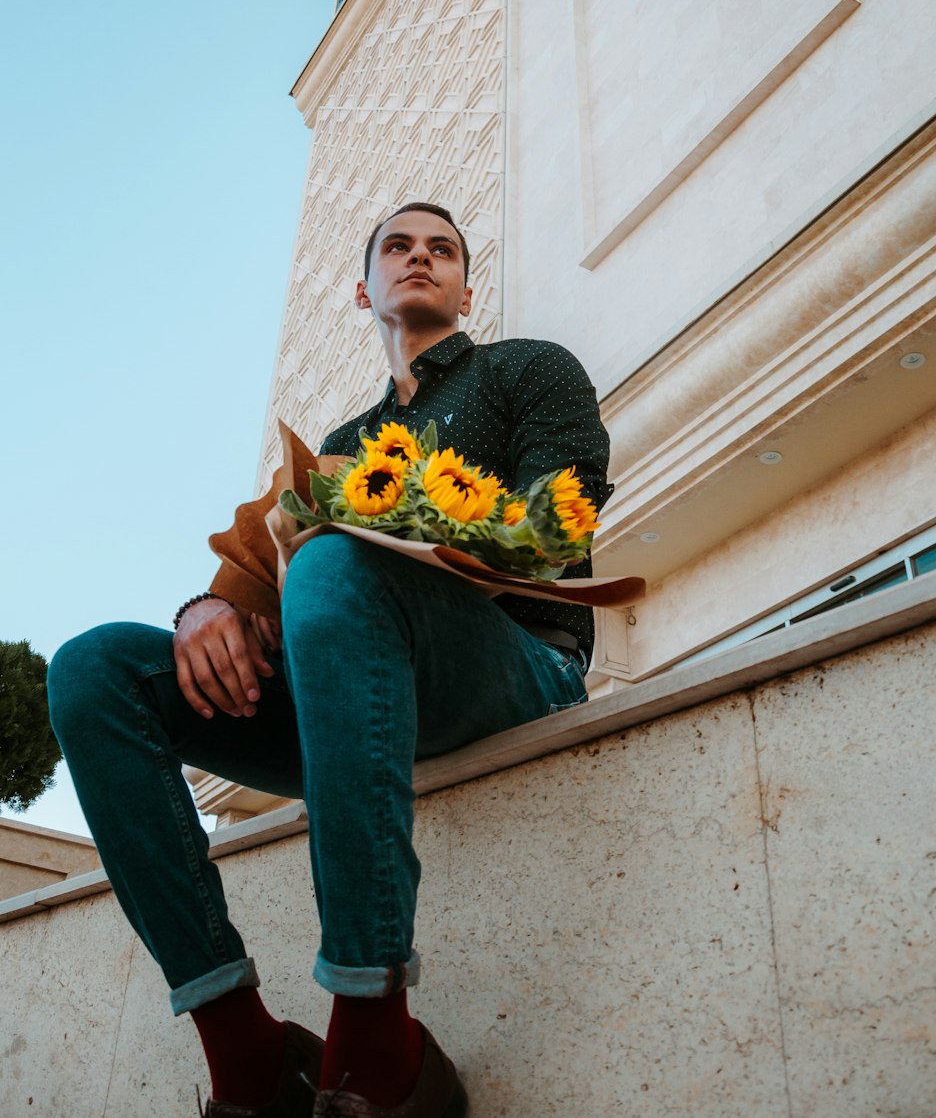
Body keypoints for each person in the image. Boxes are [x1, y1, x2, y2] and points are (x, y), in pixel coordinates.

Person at [48, 201, 612, 1118]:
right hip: (352, 691)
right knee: (95, 669)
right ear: (365, 288)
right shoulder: (337, 452)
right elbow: (248, 567)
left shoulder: (529, 371)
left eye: (443, 250)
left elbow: (561, 517)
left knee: (336, 559)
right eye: (399, 246)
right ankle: (246, 1049)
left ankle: (375, 1038)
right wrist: (205, 612)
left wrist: (384, 529)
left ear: (469, 290)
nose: (420, 257)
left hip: (517, 666)